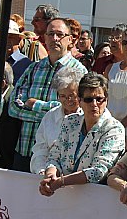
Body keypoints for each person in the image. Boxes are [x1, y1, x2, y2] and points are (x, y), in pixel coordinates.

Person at [9, 18, 87, 172]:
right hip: (25, 149)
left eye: (60, 34)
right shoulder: (34, 68)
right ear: (44, 37)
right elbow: (13, 106)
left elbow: (75, 108)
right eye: (51, 34)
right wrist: (51, 116)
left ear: (70, 40)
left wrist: (35, 105)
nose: (55, 39)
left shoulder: (80, 72)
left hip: (58, 156)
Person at [39, 73, 125, 195]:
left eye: (99, 99)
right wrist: (50, 175)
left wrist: (61, 182)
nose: (94, 104)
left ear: (106, 100)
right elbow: (54, 156)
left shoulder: (114, 129)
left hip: (96, 198)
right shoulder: (70, 121)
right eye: (89, 99)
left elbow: (99, 171)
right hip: (63, 196)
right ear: (79, 100)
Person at [30, 67, 83, 174]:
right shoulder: (50, 116)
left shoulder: (88, 116)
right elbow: (41, 149)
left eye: (72, 96)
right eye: (63, 96)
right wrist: (41, 170)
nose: (68, 100)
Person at [0, 20, 31, 85]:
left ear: (19, 40)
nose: (6, 40)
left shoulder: (26, 64)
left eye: (11, 37)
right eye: (3, 36)